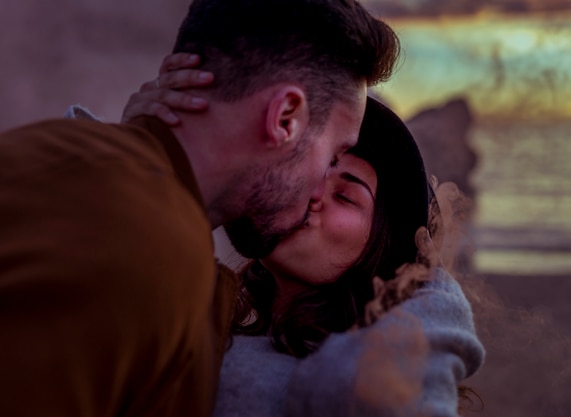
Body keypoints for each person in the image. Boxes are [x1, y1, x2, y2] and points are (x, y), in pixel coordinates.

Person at [0, 1, 400, 416]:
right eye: (334, 153)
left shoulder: (97, 183)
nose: (321, 183)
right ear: (284, 118)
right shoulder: (139, 242)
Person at [108, 66, 485, 416]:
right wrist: (141, 156)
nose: (314, 192)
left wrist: (427, 294)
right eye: (313, 168)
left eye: (345, 196)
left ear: (379, 250)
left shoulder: (389, 375)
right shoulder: (202, 319)